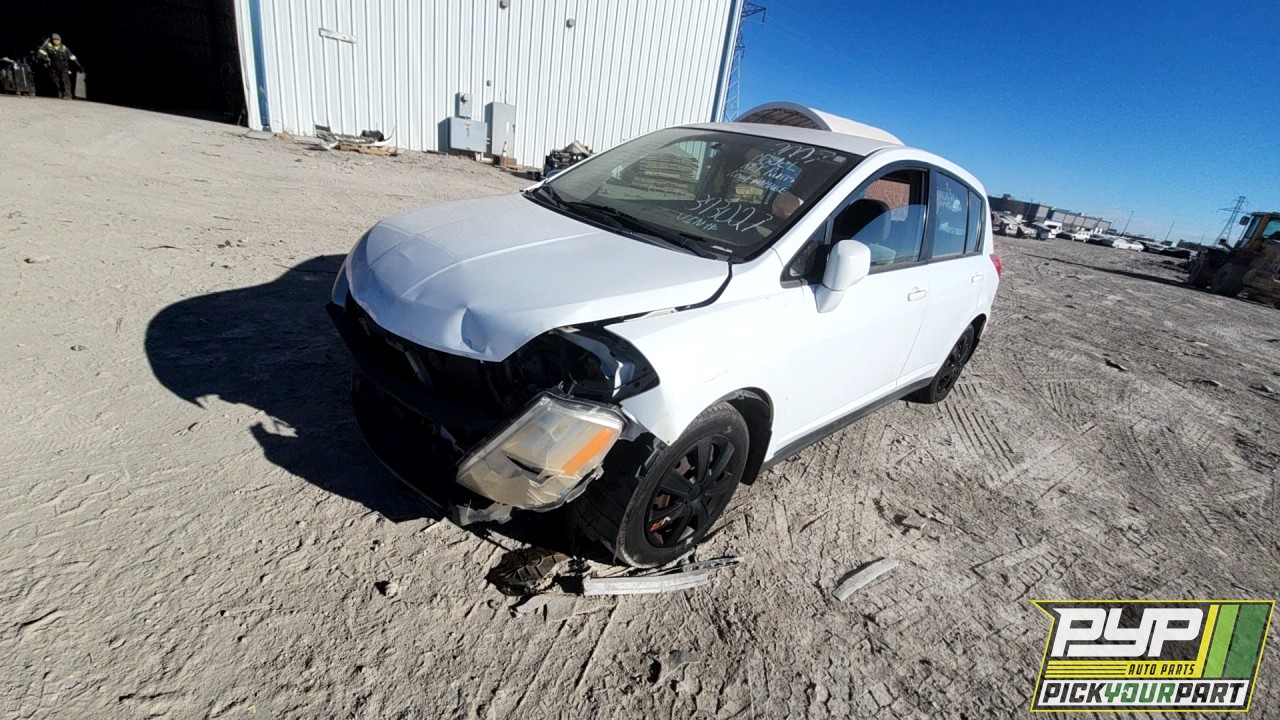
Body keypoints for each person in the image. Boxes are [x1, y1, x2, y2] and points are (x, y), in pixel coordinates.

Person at [37, 33, 79, 99]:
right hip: (54, 66)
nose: (56, 41)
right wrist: (45, 58)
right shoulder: (48, 46)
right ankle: (60, 93)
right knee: (55, 80)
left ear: (60, 40)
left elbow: (72, 57)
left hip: (63, 66)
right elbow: (40, 52)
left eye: (58, 39)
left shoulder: (64, 48)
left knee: (65, 80)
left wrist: (78, 65)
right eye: (55, 39)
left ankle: (68, 94)